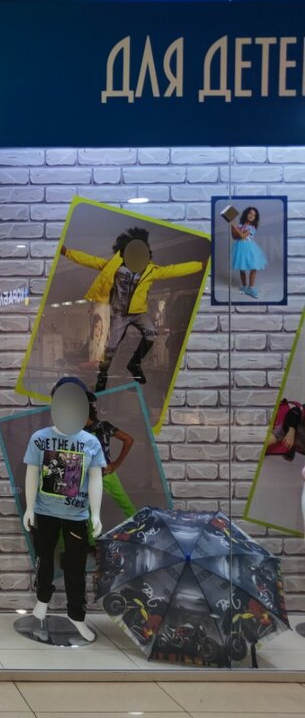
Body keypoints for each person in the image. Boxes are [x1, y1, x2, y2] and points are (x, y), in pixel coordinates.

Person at [61, 227, 204, 392]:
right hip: (120, 314)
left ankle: (134, 363)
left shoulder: (151, 271)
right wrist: (67, 252)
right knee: (111, 349)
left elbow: (175, 269)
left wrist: (200, 265)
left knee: (151, 334)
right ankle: (101, 379)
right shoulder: (115, 266)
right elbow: (90, 260)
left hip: (138, 313)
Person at [22, 377, 105, 642]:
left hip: (77, 515)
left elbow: (96, 478)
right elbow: (32, 473)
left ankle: (76, 615)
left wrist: (95, 514)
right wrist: (29, 508)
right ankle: (42, 602)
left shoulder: (90, 442)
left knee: (76, 567)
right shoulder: (40, 439)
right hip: (44, 512)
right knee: (44, 560)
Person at [86, 403, 136, 520]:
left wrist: (117, 463)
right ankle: (90, 535)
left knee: (125, 504)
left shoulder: (103, 426)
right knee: (87, 511)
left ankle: (141, 527)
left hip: (106, 474)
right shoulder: (76, 430)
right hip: (87, 477)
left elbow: (128, 440)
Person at [231, 206, 267, 299]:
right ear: (246, 214)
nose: (252, 216)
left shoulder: (252, 227)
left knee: (253, 267)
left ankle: (251, 287)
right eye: (250, 213)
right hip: (240, 248)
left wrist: (235, 227)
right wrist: (232, 227)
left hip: (249, 247)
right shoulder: (240, 225)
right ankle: (244, 287)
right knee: (242, 268)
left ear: (255, 218)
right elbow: (234, 237)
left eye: (254, 215)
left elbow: (243, 236)